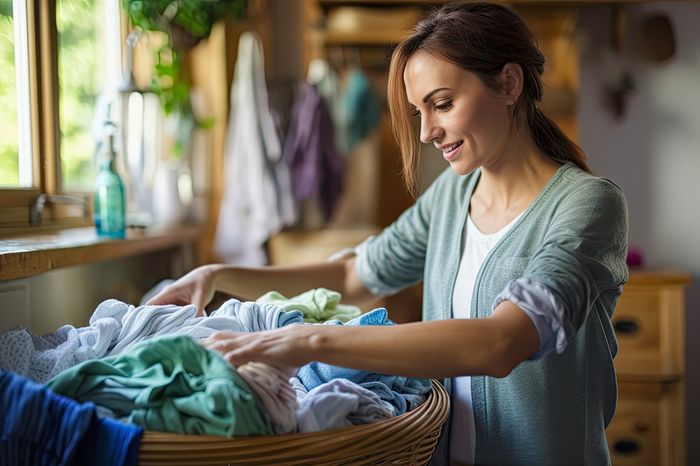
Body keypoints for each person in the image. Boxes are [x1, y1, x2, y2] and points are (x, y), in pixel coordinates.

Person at [147, 3, 628, 465]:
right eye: (420, 112)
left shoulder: (586, 205)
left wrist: (308, 341)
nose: (426, 134)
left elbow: (501, 342)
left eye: (442, 104)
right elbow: (357, 275)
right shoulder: (451, 199)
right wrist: (219, 275)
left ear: (508, 83)